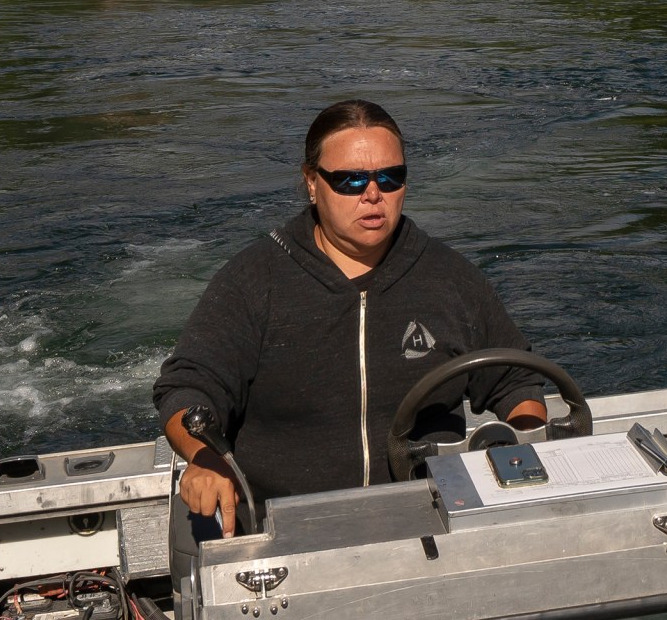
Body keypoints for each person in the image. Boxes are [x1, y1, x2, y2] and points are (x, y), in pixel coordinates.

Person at [153, 100, 549, 535]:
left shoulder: (450, 277)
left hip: (433, 523)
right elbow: (188, 388)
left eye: (390, 177)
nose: (373, 194)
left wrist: (524, 446)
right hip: (280, 531)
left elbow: (516, 381)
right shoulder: (253, 280)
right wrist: (205, 459)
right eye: (350, 180)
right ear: (310, 182)